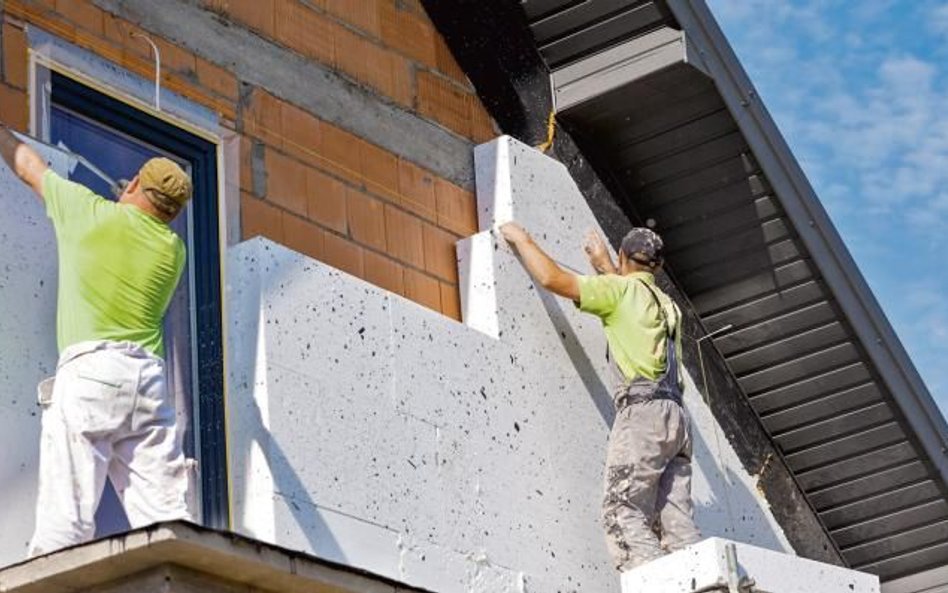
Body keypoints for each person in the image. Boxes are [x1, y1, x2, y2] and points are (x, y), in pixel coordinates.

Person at [0, 122, 194, 556]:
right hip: (148, 385)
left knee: (65, 522)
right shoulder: (173, 251)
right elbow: (138, 224)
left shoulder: (86, 213)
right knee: (166, 518)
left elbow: (30, 168)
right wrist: (130, 201)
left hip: (93, 375)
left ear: (138, 183)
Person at [499, 221, 701, 571]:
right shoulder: (668, 306)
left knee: (622, 510)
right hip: (677, 421)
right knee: (677, 525)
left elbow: (553, 280)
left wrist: (523, 238)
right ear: (660, 267)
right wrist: (607, 268)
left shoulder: (619, 292)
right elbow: (632, 304)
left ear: (622, 256)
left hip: (643, 416)